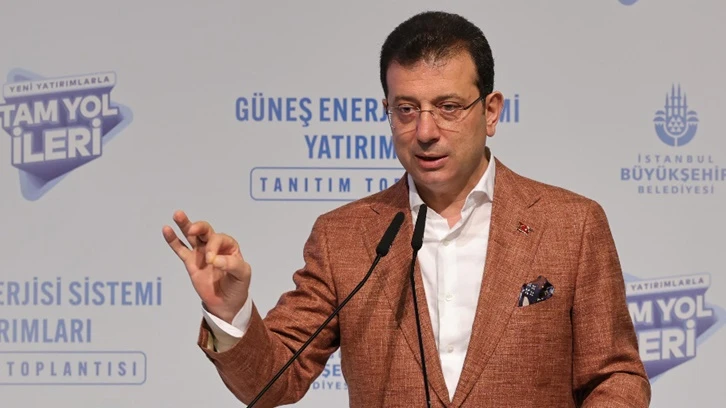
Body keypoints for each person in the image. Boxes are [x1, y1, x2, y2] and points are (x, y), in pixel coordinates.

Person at [162, 11, 651, 407]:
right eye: (406, 109)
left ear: (491, 111)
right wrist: (228, 310)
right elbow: (271, 382)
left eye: (449, 107)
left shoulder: (571, 224)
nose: (425, 131)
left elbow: (616, 377)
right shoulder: (345, 237)